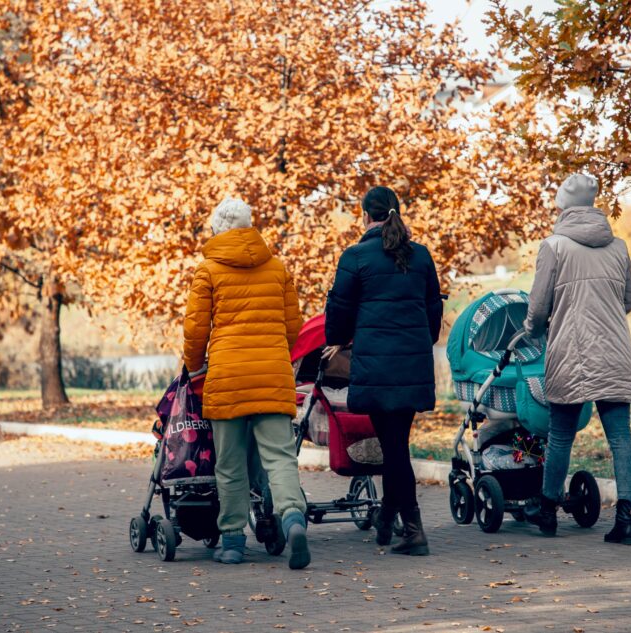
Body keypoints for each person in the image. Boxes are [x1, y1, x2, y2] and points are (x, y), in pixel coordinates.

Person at [183, 197, 310, 568]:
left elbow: (195, 329)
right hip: (272, 375)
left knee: (230, 465)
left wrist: (194, 368)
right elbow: (293, 328)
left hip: (227, 378)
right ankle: (292, 519)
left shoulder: (207, 271)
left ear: (218, 230)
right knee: (281, 459)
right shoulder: (277, 268)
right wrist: (275, 355)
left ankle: (234, 541)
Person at [324, 186, 443, 556]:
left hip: (376, 365)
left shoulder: (356, 257)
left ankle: (413, 529)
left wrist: (339, 339)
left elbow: (338, 313)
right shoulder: (420, 256)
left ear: (365, 216)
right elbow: (433, 314)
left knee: (394, 449)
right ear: (396, 213)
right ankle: (387, 516)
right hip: (411, 363)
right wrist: (418, 342)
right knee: (396, 444)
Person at [523, 173, 631, 544]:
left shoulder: (554, 246)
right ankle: (626, 522)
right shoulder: (618, 246)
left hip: (570, 353)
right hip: (614, 351)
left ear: (563, 205)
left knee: (560, 436)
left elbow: (538, 309)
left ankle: (547, 513)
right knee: (621, 437)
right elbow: (628, 301)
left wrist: (532, 328)